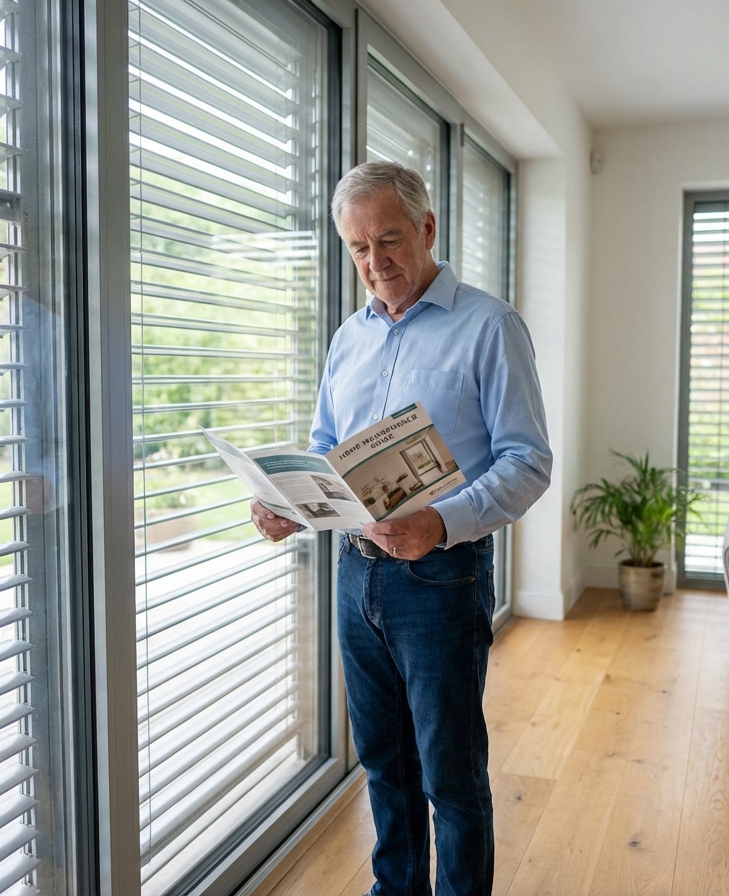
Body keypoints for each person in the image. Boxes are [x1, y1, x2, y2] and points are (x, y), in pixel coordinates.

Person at [250, 161, 551, 896]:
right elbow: (327, 443)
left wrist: (441, 523)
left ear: (427, 229)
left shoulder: (490, 325)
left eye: (388, 240)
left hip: (441, 578)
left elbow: (529, 461)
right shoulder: (347, 339)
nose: (375, 263)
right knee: (383, 762)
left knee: (449, 772)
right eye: (358, 248)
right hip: (355, 574)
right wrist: (290, 501)